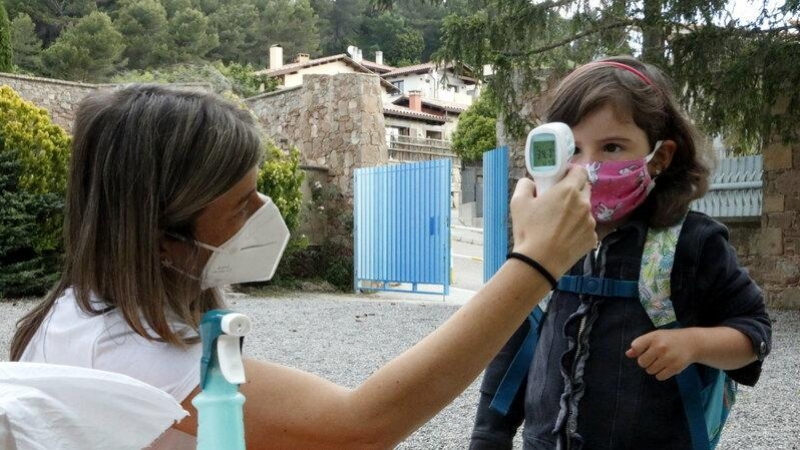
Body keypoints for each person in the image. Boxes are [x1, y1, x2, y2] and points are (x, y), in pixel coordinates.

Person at [9, 84, 597, 450]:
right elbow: (359, 428)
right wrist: (535, 263)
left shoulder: (74, 315)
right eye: (242, 203)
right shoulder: (131, 355)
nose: (265, 213)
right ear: (161, 236)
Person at [470, 56, 772, 450]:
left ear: (659, 158)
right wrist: (488, 434)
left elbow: (755, 332)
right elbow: (515, 339)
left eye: (612, 146)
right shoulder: (549, 238)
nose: (588, 167)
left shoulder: (693, 242)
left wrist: (693, 344)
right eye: (573, 149)